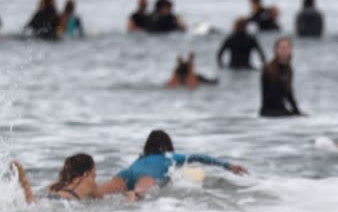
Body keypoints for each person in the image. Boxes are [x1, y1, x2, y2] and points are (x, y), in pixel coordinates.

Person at [97, 130, 247, 200]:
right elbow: (198, 157)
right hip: (148, 177)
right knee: (136, 195)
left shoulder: (141, 158)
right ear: (168, 145)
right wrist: (227, 165)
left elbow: (134, 171)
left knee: (98, 193)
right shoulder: (169, 156)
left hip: (126, 173)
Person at [9, 155, 100, 203]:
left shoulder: (58, 183)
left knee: (33, 201)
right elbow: (101, 200)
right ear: (87, 172)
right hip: (64, 201)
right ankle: (26, 187)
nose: (96, 174)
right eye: (94, 170)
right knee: (32, 202)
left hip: (48, 198)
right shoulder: (88, 182)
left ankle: (25, 186)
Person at [260, 37, 302, 117]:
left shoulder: (289, 69)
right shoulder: (268, 69)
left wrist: (297, 111)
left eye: (287, 48)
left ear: (290, 50)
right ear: (276, 50)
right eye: (282, 48)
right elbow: (271, 95)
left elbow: (289, 94)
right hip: (268, 112)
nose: (284, 50)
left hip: (282, 110)